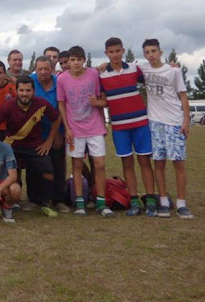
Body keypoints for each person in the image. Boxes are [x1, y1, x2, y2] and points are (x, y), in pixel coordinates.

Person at [99, 37, 156, 216]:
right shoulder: (101, 75)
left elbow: (155, 75)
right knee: (127, 163)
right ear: (106, 53)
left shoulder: (134, 68)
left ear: (123, 51)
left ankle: (151, 200)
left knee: (145, 161)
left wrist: (171, 66)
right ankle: (133, 201)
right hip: (119, 126)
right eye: (111, 52)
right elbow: (103, 100)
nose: (115, 55)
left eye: (118, 51)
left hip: (140, 122)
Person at [0, 76, 60, 217]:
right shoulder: (8, 106)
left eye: (28, 90)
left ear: (33, 91)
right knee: (10, 174)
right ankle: (3, 203)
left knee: (48, 171)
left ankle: (44, 203)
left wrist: (49, 140)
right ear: (16, 91)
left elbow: (56, 118)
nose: (24, 93)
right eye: (21, 90)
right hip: (12, 145)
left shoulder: (41, 103)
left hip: (35, 145)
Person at [139, 39, 192, 219]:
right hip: (154, 122)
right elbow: (121, 64)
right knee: (159, 163)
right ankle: (163, 202)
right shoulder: (143, 68)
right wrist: (105, 63)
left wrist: (186, 121)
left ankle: (182, 204)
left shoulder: (174, 71)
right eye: (147, 52)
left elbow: (183, 96)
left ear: (160, 52)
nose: (151, 54)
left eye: (154, 51)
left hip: (174, 122)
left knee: (178, 163)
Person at [57, 46, 113, 218]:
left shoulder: (93, 74)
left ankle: (101, 202)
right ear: (68, 61)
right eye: (72, 60)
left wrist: (97, 102)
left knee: (100, 164)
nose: (75, 63)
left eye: (78, 59)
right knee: (77, 166)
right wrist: (67, 128)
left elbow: (103, 99)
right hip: (74, 129)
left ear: (84, 60)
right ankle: (80, 202)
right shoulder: (62, 79)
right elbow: (61, 103)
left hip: (94, 127)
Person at [31, 56, 68, 212]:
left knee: (57, 165)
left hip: (56, 131)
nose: (43, 72)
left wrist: (59, 133)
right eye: (40, 69)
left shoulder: (59, 82)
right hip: (35, 132)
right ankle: (34, 200)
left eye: (46, 68)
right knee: (34, 166)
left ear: (52, 69)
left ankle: (58, 200)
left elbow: (62, 108)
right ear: (35, 69)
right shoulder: (30, 80)